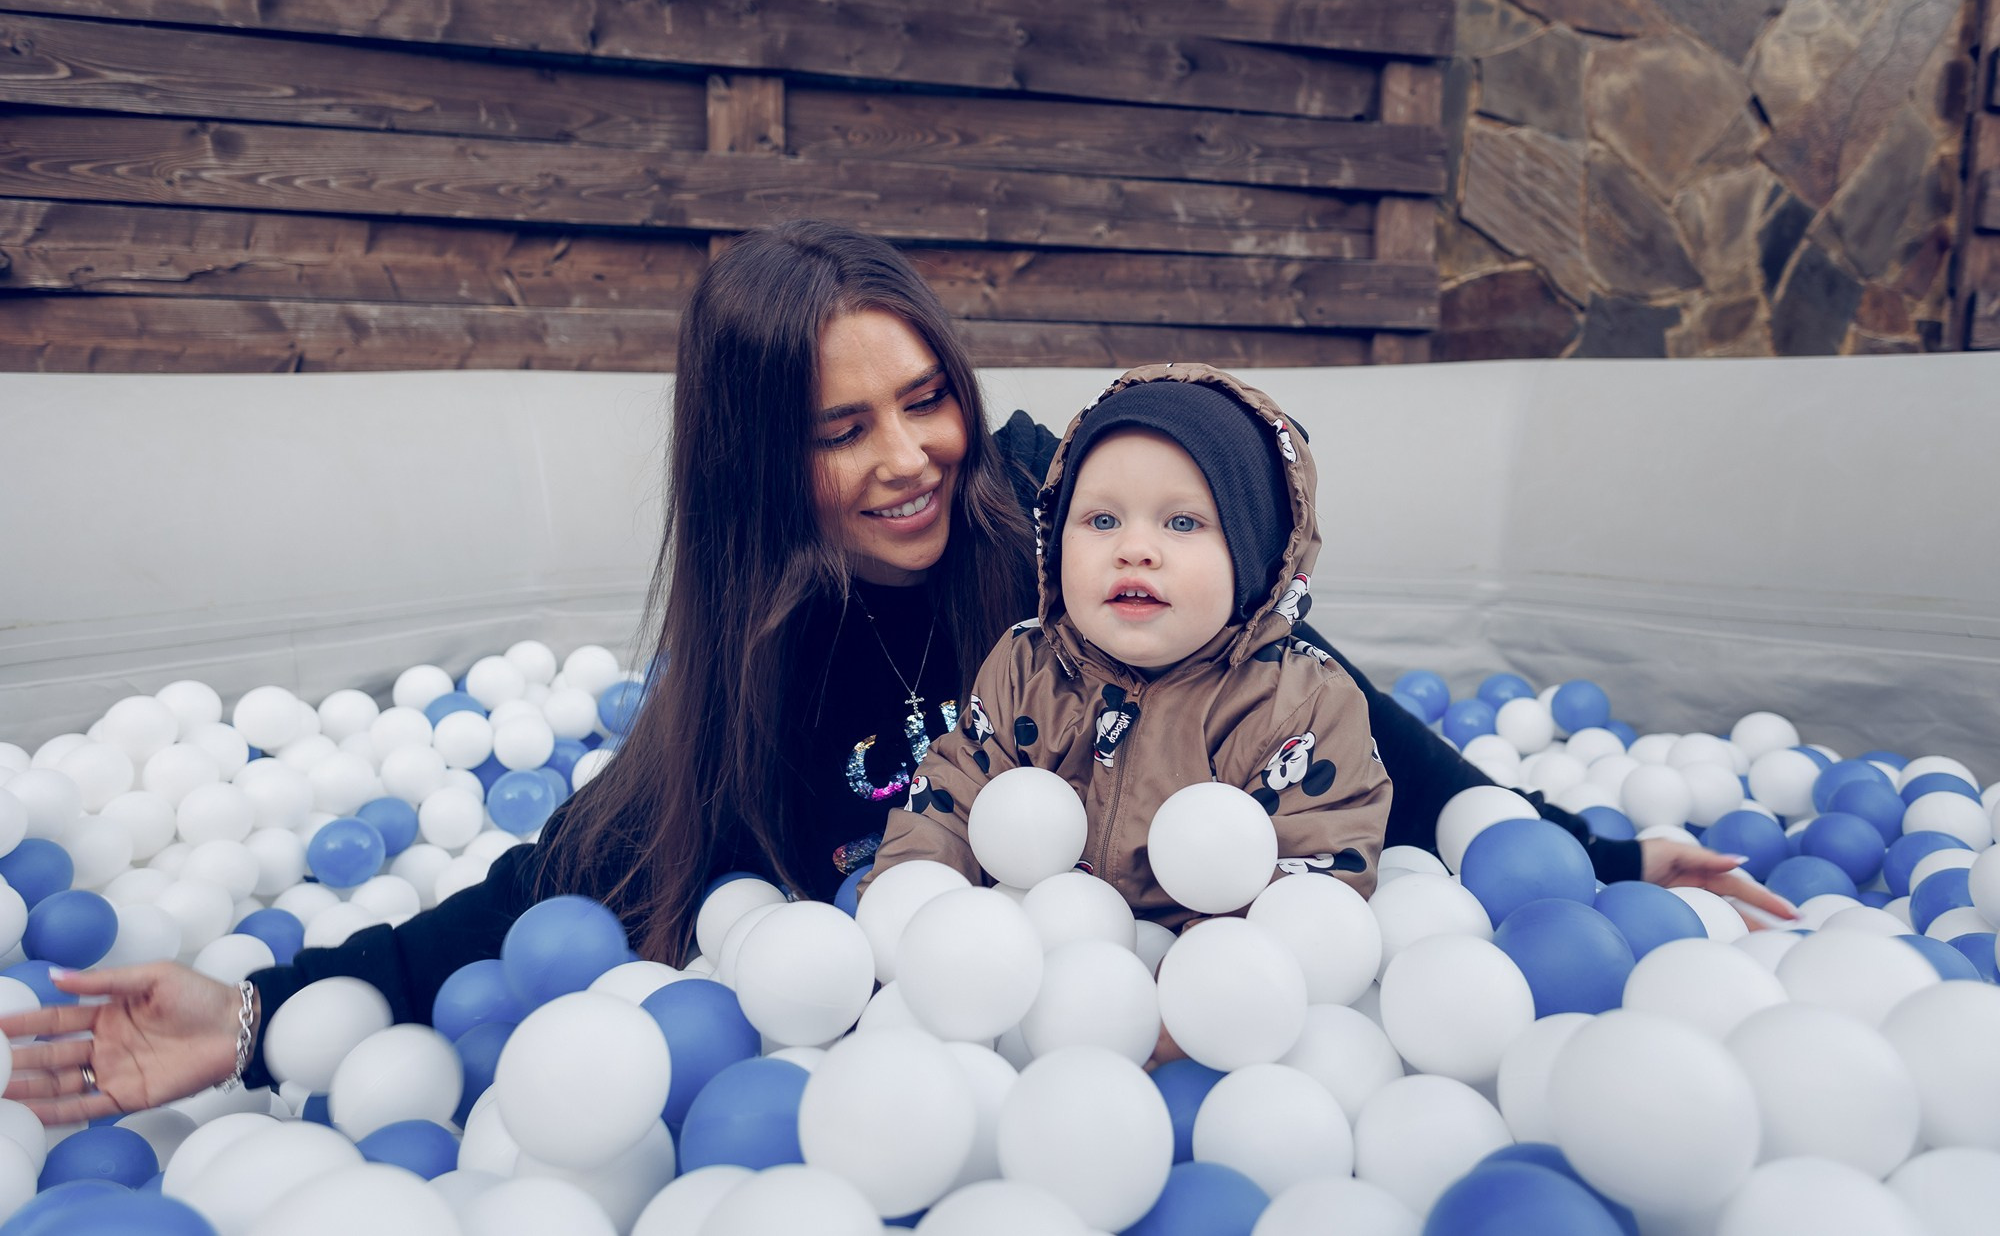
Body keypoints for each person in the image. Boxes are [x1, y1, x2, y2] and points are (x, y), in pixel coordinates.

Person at [0, 221, 1790, 1124]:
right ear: (759, 463)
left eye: (923, 394)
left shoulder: (1048, 521)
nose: (912, 453)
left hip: (1222, 1033)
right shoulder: (768, 682)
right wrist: (256, 1016)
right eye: (841, 427)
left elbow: (1316, 687)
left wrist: (1581, 851)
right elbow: (556, 874)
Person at [867, 365, 1390, 920]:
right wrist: (909, 900)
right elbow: (951, 801)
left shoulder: (1300, 706)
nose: (1134, 548)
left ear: (1255, 556)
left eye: (1183, 523)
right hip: (1045, 945)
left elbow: (1317, 872)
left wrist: (1195, 973)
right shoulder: (1027, 667)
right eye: (1101, 519)